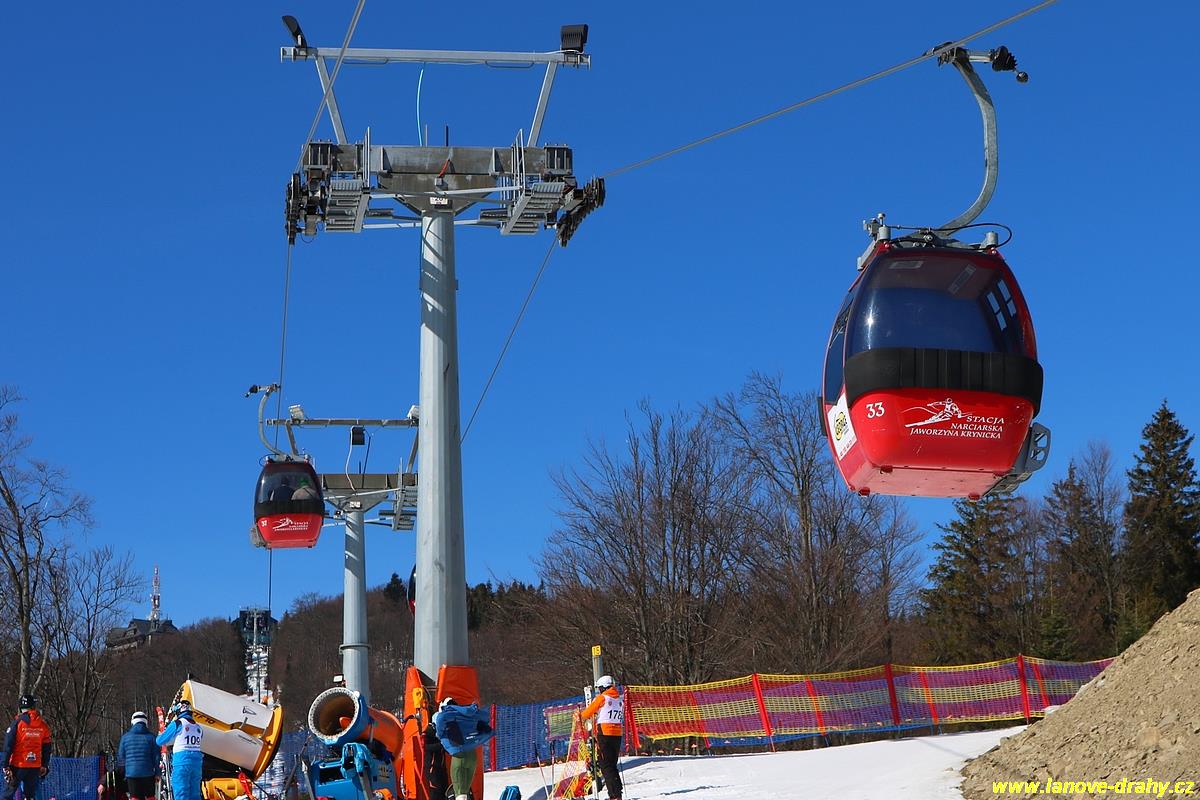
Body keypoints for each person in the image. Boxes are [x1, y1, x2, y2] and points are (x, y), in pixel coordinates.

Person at [432, 697, 494, 800]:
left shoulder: (446, 715)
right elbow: (485, 719)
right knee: (465, 792)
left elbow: (440, 722)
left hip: (459, 755)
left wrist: (440, 734)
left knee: (460, 793)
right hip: (472, 755)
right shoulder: (469, 714)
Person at [580, 676, 623, 800]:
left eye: (599, 688)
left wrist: (579, 715)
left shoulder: (602, 698)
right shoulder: (619, 699)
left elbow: (586, 713)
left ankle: (614, 795)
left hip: (605, 734)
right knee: (612, 765)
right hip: (617, 735)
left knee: (606, 766)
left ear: (603, 688)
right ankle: (617, 793)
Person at [1, 696, 53, 800]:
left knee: (7, 795)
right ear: (33, 706)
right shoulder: (43, 725)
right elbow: (47, 747)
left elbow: (8, 745)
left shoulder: (18, 723)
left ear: (21, 708)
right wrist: (44, 765)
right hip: (34, 766)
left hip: (18, 765)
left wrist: (5, 765)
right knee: (30, 796)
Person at [155, 701, 203, 800]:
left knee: (181, 793)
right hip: (197, 764)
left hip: (181, 763)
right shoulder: (198, 727)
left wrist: (162, 734)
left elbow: (160, 741)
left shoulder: (178, 723)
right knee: (195, 794)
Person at [117, 712, 160, 800]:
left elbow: (121, 757)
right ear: (145, 722)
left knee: (135, 797)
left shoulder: (125, 738)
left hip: (132, 774)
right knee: (150, 797)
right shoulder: (152, 737)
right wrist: (157, 773)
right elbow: (156, 757)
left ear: (132, 722)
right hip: (148, 773)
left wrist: (123, 773)